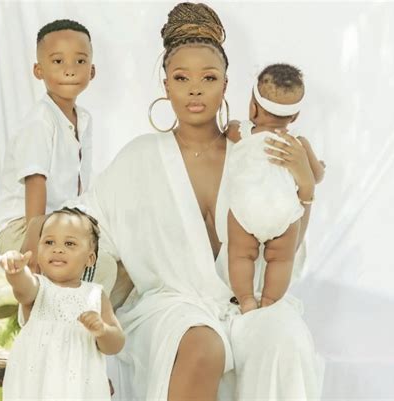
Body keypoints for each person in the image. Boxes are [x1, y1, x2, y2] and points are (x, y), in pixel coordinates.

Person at [78, 3, 324, 400]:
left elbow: (287, 246)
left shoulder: (256, 156)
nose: (195, 89)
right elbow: (89, 225)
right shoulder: (140, 157)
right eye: (181, 78)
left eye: (208, 77)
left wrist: (305, 189)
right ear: (166, 86)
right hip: (171, 306)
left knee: (285, 337)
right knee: (202, 345)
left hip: (249, 303)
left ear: (226, 85)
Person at [0, 19, 95, 258]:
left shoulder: (84, 119)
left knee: (108, 260)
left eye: (80, 61)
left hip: (58, 224)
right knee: (84, 266)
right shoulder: (40, 120)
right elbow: (35, 181)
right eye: (58, 61)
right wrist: (34, 240)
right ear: (39, 71)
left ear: (92, 70)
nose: (70, 69)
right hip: (23, 225)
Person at [227, 63, 325, 313]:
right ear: (295, 116)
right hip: (284, 212)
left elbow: (227, 129)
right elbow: (316, 176)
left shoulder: (243, 132)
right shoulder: (298, 143)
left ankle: (246, 298)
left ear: (253, 106)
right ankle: (269, 301)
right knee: (282, 260)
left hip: (247, 208)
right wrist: (320, 167)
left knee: (240, 254)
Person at [0, 207, 124, 400]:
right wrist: (16, 271)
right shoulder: (39, 288)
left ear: (90, 258)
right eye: (49, 242)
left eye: (69, 243)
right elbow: (23, 288)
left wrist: (103, 330)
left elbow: (116, 344)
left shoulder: (95, 295)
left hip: (80, 388)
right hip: (37, 385)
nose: (57, 249)